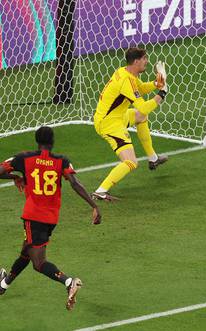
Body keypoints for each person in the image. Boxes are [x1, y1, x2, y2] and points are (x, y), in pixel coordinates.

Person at [0, 126, 101, 310]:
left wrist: (15, 176)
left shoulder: (24, 157)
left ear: (36, 141)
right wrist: (94, 206)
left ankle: (69, 282)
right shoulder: (62, 161)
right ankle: (3, 285)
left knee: (38, 263)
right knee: (26, 252)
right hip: (51, 218)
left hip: (33, 216)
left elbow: (0, 170)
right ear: (52, 142)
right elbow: (75, 184)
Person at [91, 47, 169, 200]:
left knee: (141, 117)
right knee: (131, 162)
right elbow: (143, 106)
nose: (147, 61)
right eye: (144, 59)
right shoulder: (126, 81)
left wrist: (156, 83)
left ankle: (153, 158)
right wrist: (162, 94)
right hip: (109, 124)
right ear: (136, 61)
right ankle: (101, 191)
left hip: (117, 116)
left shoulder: (126, 72)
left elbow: (140, 89)